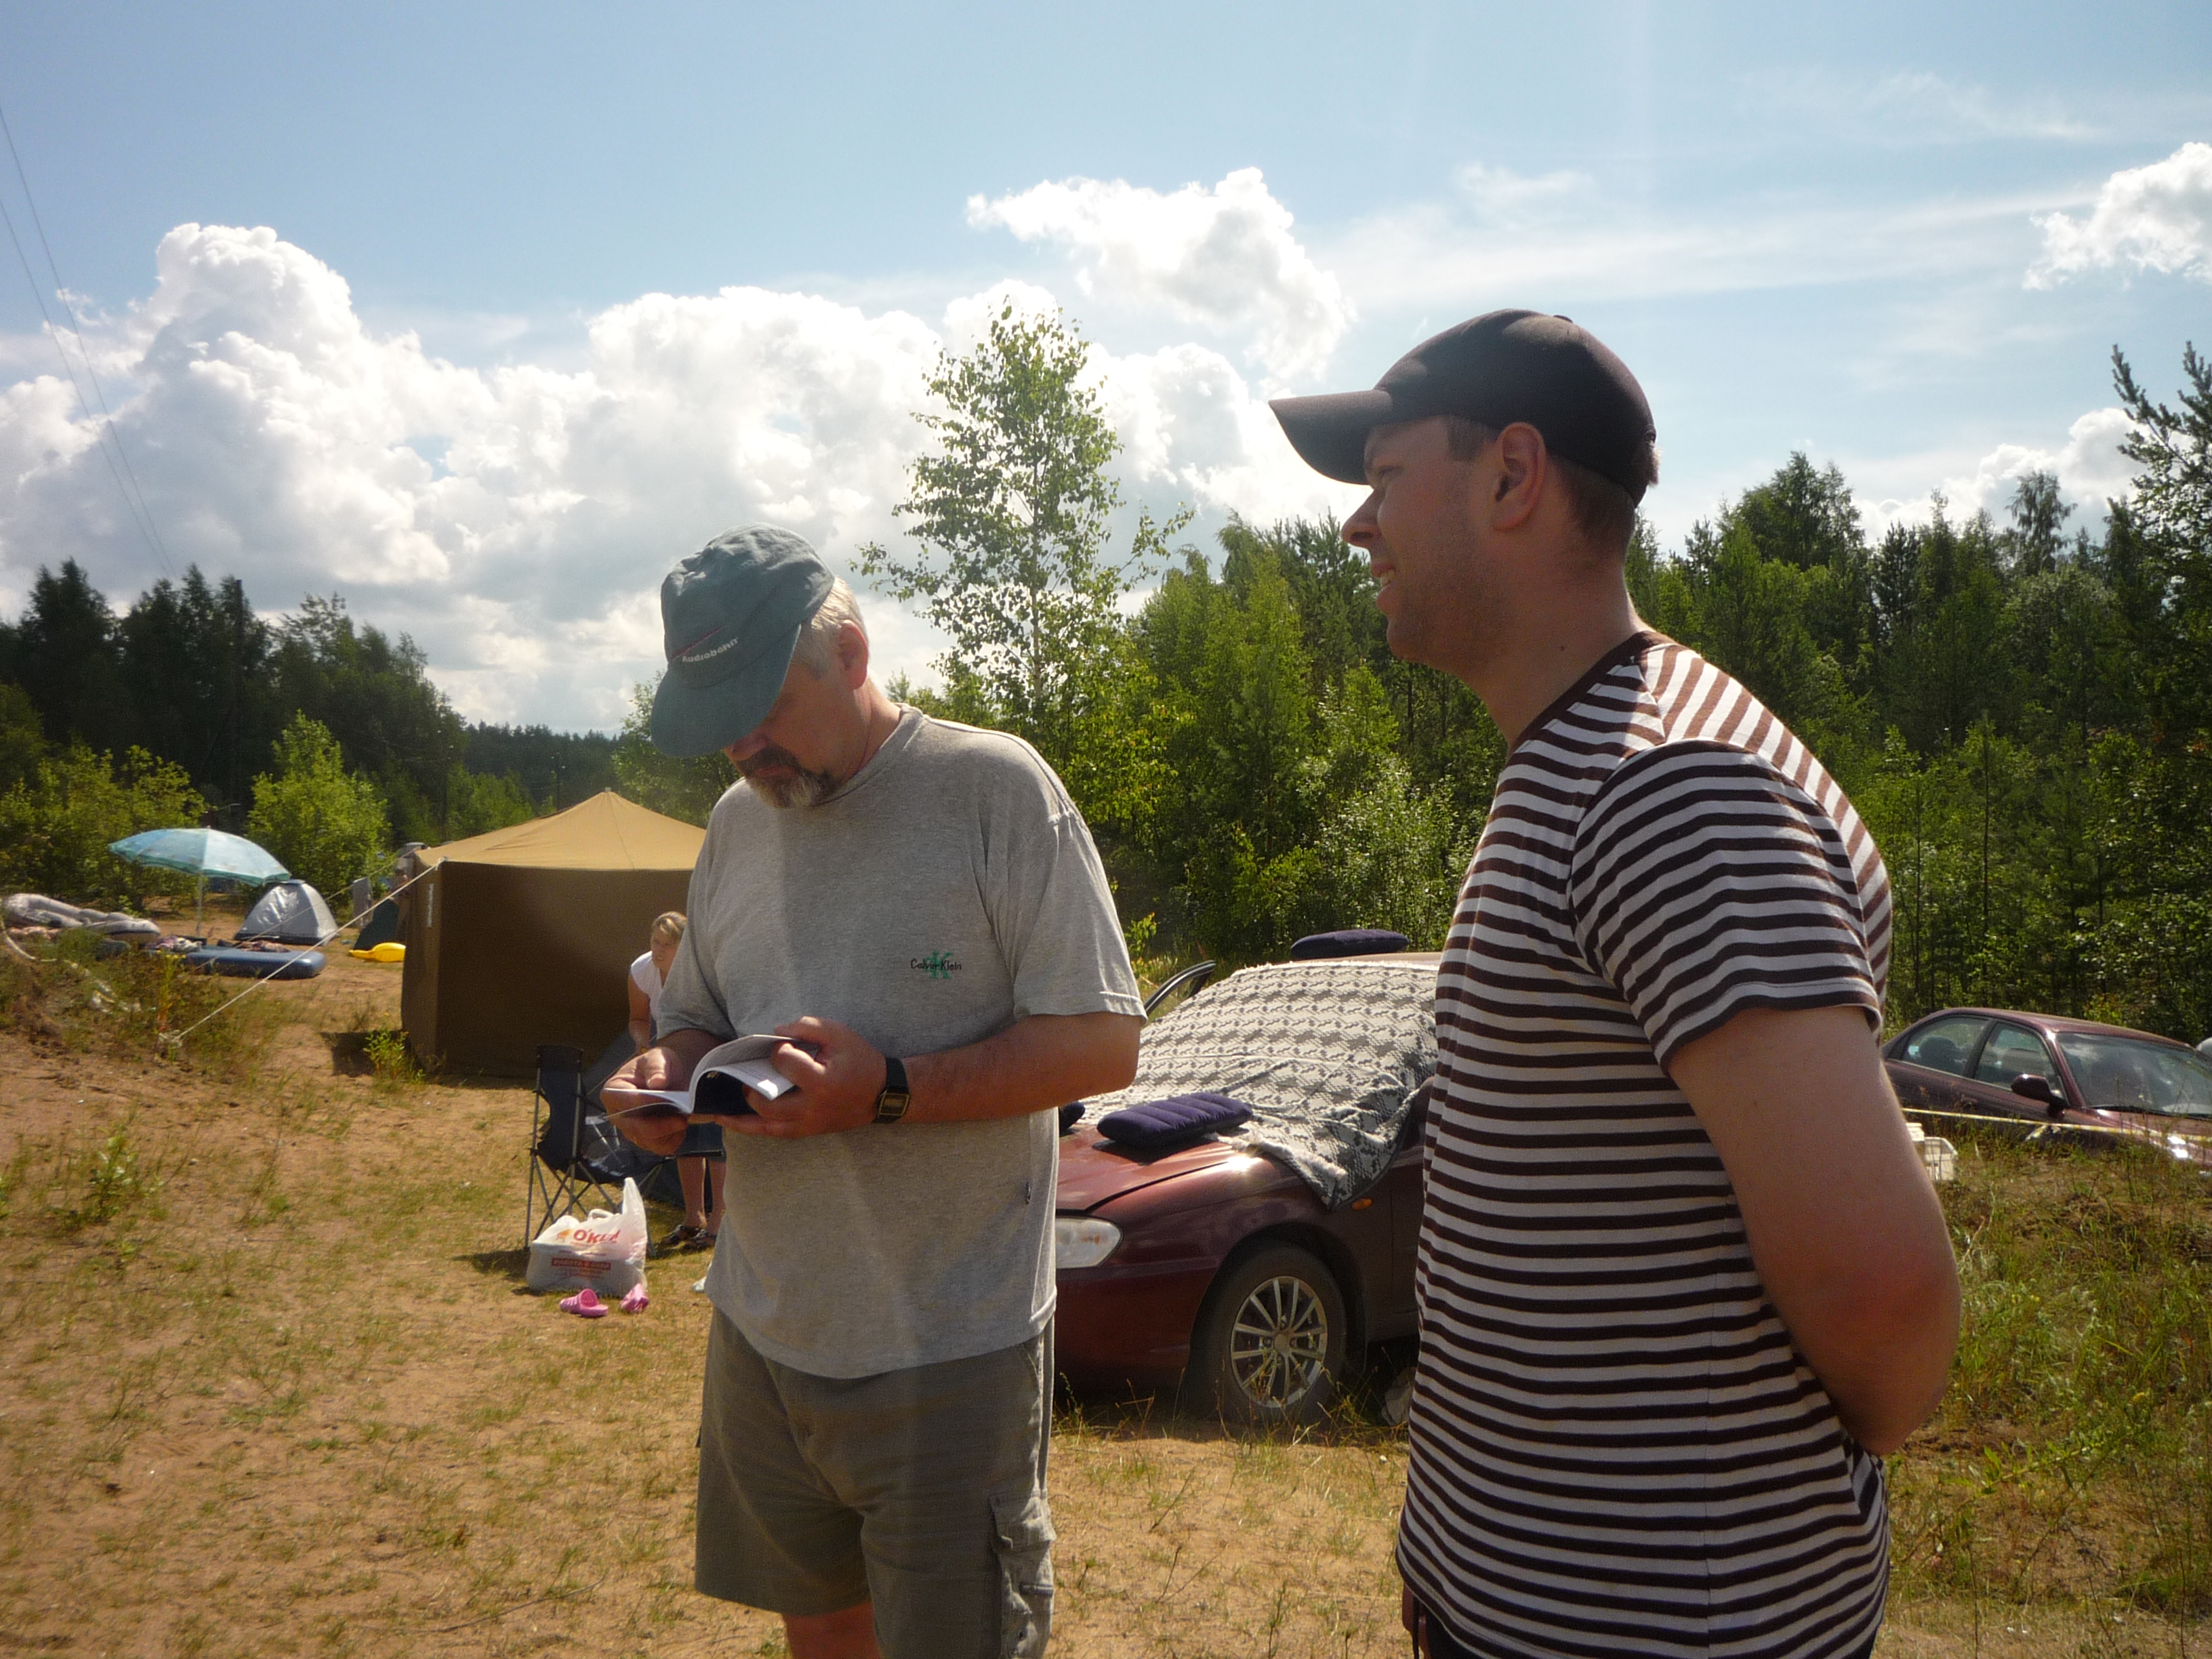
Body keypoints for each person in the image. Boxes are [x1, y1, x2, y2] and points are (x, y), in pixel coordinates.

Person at [1271, 312, 1962, 1659]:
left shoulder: (1670, 790)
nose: (1357, 526)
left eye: (1385, 476)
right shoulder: (1584, 754)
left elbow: (1883, 1295)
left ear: (1511, 476)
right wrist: (1456, 1552)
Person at [605, 525, 1143, 1659]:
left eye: (763, 706)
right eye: (719, 724)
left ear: (849, 654)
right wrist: (665, 1072)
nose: (743, 746)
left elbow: (1103, 1042)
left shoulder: (994, 789)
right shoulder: (737, 821)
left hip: (948, 1355)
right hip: (763, 1329)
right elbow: (696, 1010)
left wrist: (888, 1089)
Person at [628, 911, 722, 1253]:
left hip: (712, 1049)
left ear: (685, 948)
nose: (658, 950)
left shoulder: (703, 971)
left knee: (715, 1132)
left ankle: (719, 1222)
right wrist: (643, 1043)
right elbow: (638, 1018)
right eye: (655, 941)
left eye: (667, 944)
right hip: (670, 1054)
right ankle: (694, 1218)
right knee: (682, 1128)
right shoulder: (641, 970)